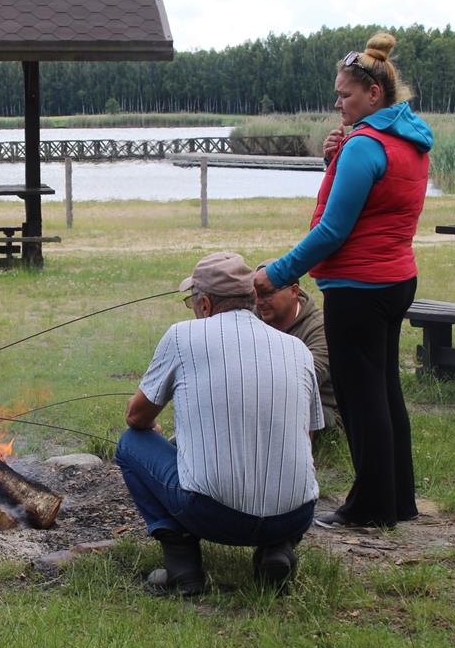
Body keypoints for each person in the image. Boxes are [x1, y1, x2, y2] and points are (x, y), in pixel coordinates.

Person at [253, 32, 432, 530]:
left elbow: (333, 230)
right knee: (386, 390)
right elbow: (377, 204)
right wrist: (334, 159)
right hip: (397, 279)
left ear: (373, 93)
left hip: (358, 287)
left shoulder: (365, 146)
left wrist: (276, 274)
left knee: (360, 397)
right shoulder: (408, 141)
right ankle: (398, 499)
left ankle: (370, 507)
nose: (338, 103)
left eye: (345, 94)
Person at [115, 252, 322, 596]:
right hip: (295, 515)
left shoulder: (182, 336)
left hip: (214, 515)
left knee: (130, 443)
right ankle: (277, 549)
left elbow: (136, 417)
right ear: (252, 297)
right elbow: (308, 437)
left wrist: (152, 429)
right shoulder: (297, 348)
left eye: (192, 302)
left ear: (205, 304)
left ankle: (183, 567)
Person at [255, 259, 339, 430]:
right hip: (267, 397)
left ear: (294, 291)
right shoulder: (253, 318)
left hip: (318, 406)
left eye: (266, 294)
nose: (259, 301)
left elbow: (307, 379)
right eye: (255, 294)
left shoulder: (319, 329)